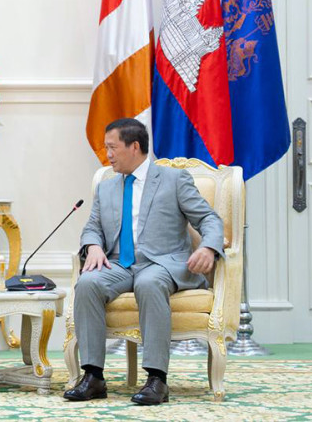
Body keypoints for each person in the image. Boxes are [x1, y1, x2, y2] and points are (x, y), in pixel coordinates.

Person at [66, 118, 224, 406]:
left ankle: (156, 379)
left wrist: (209, 248)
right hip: (119, 264)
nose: (108, 154)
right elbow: (93, 227)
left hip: (163, 262)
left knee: (149, 282)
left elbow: (208, 219)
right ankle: (93, 377)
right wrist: (93, 245)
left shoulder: (174, 180)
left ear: (134, 146)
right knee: (87, 283)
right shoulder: (106, 187)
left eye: (112, 147)